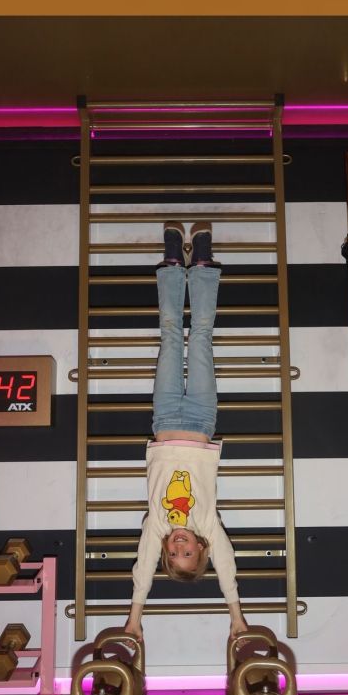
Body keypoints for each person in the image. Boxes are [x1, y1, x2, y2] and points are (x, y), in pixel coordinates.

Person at [123, 221, 248, 644]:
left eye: (173, 554)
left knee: (172, 334)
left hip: (163, 420)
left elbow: (142, 568)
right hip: (200, 420)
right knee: (203, 337)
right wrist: (236, 616)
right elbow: (227, 566)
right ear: (201, 548)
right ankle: (204, 260)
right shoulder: (207, 523)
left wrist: (134, 618)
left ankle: (174, 259)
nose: (179, 546)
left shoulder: (158, 525)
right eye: (187, 553)